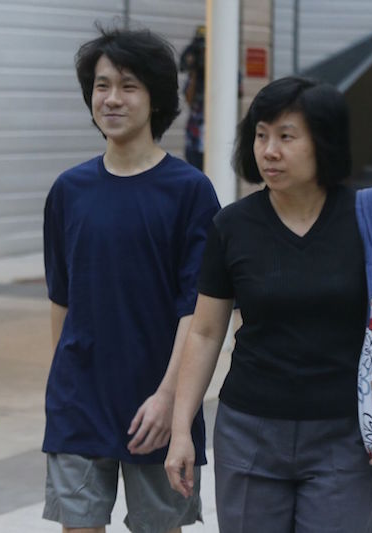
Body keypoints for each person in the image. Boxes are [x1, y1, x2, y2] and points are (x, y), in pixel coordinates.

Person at [164, 77, 372, 532]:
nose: (269, 150)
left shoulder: (367, 215)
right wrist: (182, 428)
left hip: (341, 436)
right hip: (248, 433)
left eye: (286, 136)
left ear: (322, 141)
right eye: (261, 135)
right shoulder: (232, 226)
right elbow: (206, 332)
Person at [41, 26, 221, 533]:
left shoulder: (190, 192)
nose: (112, 98)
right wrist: (61, 388)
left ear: (156, 97)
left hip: (157, 407)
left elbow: (197, 313)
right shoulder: (68, 191)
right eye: (101, 86)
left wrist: (171, 400)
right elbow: (61, 300)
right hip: (79, 408)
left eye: (128, 85)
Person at [180, 26, 206, 171]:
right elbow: (189, 99)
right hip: (195, 135)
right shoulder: (194, 74)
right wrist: (194, 71)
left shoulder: (223, 66)